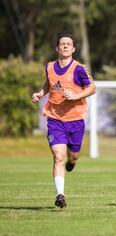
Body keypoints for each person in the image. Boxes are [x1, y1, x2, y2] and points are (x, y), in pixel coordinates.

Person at [32, 33, 96, 208]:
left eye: (68, 44)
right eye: (62, 44)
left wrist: (76, 95)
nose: (65, 46)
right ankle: (60, 195)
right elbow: (49, 83)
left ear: (73, 49)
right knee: (58, 157)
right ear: (57, 48)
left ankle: (72, 162)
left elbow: (92, 88)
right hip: (55, 119)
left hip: (75, 120)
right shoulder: (50, 67)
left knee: (72, 157)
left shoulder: (79, 69)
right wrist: (40, 93)